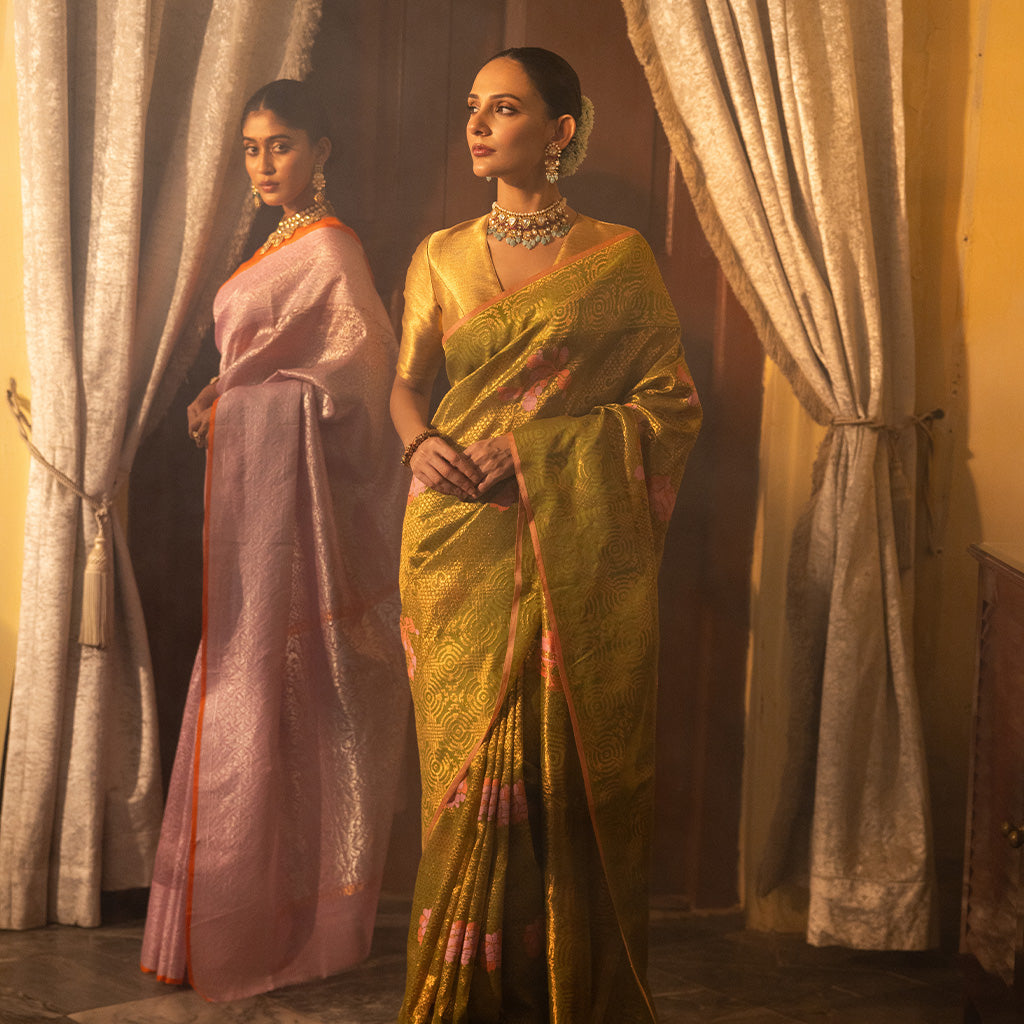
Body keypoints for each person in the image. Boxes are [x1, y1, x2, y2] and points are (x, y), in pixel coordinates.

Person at [390, 47, 702, 1024]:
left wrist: (534, 453)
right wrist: (418, 447)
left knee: (562, 782)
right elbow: (405, 385)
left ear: (559, 132)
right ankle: (455, 999)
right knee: (460, 784)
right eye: (475, 106)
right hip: (454, 543)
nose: (479, 124)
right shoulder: (437, 254)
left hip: (568, 550)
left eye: (506, 108)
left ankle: (562, 994)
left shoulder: (620, 260)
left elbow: (669, 408)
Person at [140, 79, 409, 1002]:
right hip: (256, 508)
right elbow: (267, 362)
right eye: (253, 147)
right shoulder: (273, 243)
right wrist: (227, 392)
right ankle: (224, 906)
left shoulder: (331, 251)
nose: (263, 164)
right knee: (244, 685)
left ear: (323, 150)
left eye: (283, 145)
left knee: (290, 693)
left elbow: (360, 388)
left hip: (304, 520)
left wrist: (247, 401)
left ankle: (286, 917)